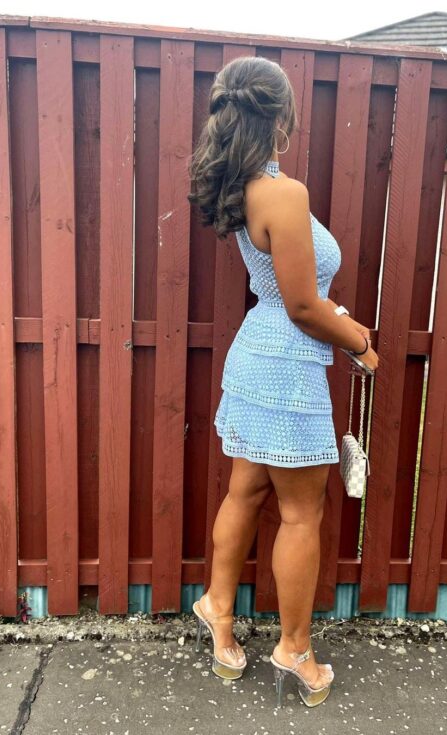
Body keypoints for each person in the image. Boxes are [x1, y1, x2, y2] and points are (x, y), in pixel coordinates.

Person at [186, 55, 379, 708]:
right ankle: (295, 650)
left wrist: (335, 320)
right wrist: (358, 343)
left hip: (259, 355)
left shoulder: (242, 185)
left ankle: (217, 606)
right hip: (288, 364)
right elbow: (300, 304)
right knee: (301, 512)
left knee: (245, 490)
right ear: (280, 116)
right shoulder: (283, 193)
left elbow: (290, 296)